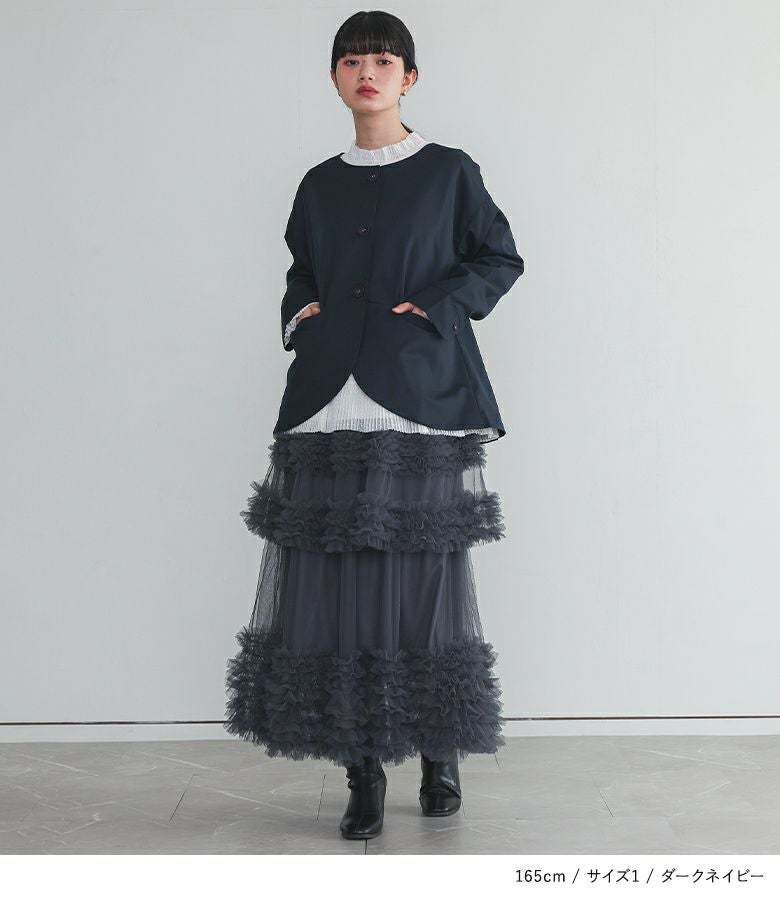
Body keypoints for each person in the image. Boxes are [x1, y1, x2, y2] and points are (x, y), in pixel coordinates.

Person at [224, 9, 524, 841]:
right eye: (352, 60)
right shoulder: (318, 184)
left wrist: (434, 307)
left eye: (384, 61)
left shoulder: (449, 171)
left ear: (409, 77)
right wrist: (302, 314)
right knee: (338, 587)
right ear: (334, 77)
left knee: (426, 585)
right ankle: (361, 770)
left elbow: (499, 258)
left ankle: (438, 752)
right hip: (329, 400)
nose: (368, 73)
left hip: (422, 395)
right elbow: (303, 271)